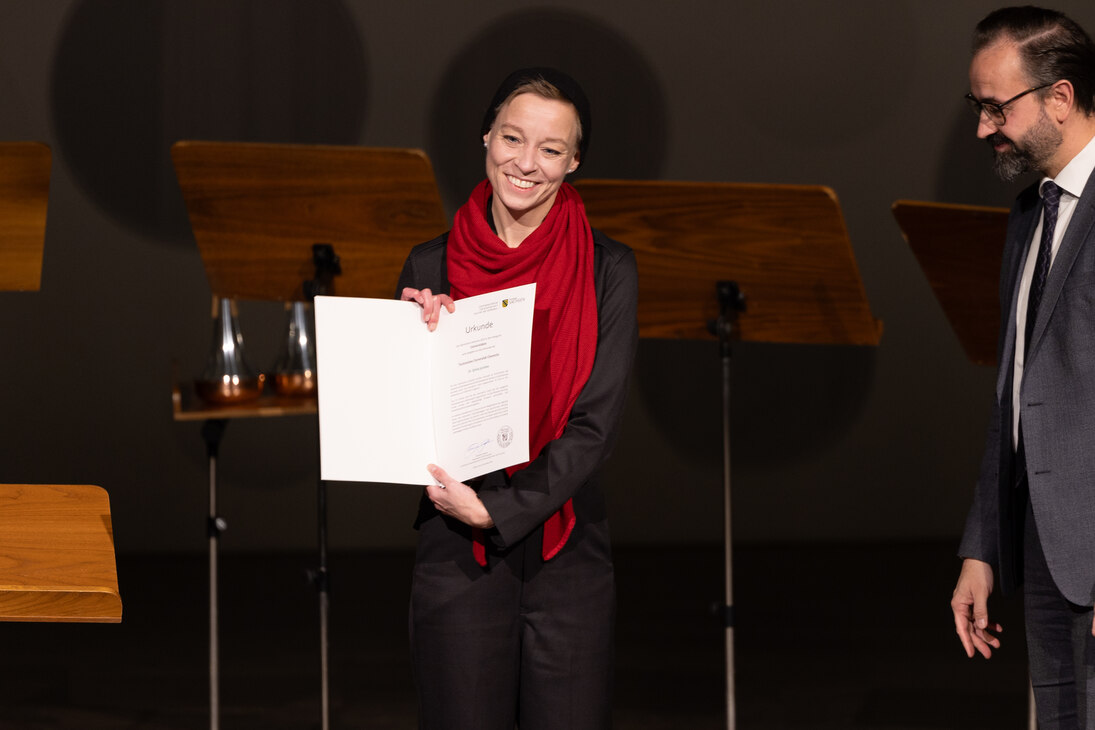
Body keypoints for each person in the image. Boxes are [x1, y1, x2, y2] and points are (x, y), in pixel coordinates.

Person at [395, 67, 638, 730]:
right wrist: (415, 344)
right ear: (485, 138)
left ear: (574, 161)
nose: (525, 163)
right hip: (454, 549)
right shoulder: (428, 266)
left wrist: (496, 508)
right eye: (511, 138)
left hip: (568, 553)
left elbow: (596, 426)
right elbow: (402, 423)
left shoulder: (608, 268)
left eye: (550, 149)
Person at [950, 6, 1095, 728]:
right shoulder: (1028, 214)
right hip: (1042, 545)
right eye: (976, 107)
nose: (982, 127)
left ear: (1059, 98)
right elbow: (1015, 395)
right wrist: (981, 546)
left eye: (993, 107)